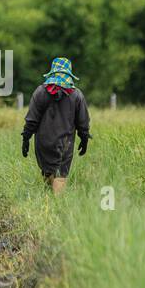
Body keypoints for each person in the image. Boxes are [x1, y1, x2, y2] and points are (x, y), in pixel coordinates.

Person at [21, 57, 90, 194]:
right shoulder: (77, 95)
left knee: (47, 172)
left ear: (52, 73)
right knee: (61, 174)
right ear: (69, 74)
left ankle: (49, 203)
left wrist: (26, 138)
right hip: (65, 142)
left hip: (43, 143)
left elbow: (31, 120)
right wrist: (84, 138)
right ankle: (57, 207)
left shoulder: (40, 92)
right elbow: (83, 122)